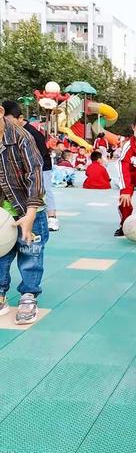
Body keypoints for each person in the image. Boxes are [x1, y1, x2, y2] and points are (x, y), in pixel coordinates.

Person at [0, 104, 48, 325]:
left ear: (1, 112)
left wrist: (30, 214)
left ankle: (29, 295)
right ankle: (0, 293)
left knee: (30, 252)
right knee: (1, 254)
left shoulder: (22, 137)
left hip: (30, 206)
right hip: (4, 211)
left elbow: (35, 174)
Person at [1, 100, 59, 232]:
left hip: (42, 167)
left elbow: (35, 168)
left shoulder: (27, 135)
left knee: (45, 189)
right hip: (6, 211)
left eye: (9, 120)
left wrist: (31, 212)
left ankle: (52, 216)